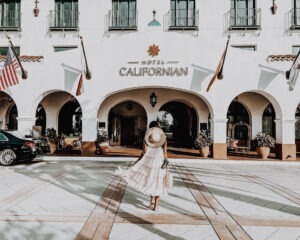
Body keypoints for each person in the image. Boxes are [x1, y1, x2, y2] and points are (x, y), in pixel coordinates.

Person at [117, 121, 172, 211]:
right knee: (159, 182)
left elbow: (144, 152)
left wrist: (137, 161)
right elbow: (165, 151)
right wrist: (166, 160)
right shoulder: (163, 138)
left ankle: (151, 200)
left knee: (151, 181)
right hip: (160, 162)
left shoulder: (147, 138)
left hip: (149, 163)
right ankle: (156, 206)